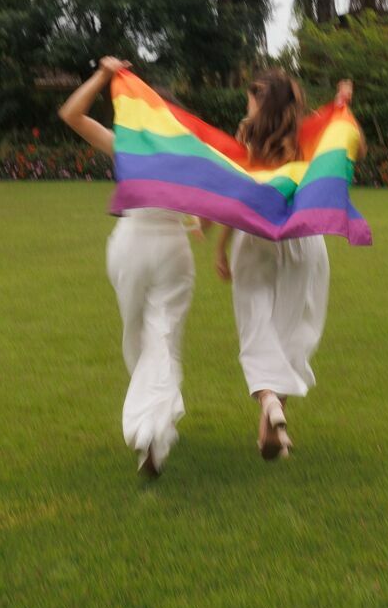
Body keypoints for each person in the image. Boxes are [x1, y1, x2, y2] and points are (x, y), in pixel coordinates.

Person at [59, 57, 198, 478]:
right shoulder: (187, 152)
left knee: (136, 335)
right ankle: (153, 427)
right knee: (163, 334)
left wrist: (104, 75)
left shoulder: (127, 147)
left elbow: (71, 114)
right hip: (173, 245)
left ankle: (150, 428)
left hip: (131, 242)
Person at [214, 70, 354, 459]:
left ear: (260, 102)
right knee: (289, 331)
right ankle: (270, 432)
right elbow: (339, 140)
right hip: (303, 241)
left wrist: (220, 248)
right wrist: (341, 105)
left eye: (250, 99)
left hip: (257, 241)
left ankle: (268, 402)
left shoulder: (245, 143)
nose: (246, 106)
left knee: (256, 327)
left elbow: (234, 201)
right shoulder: (306, 138)